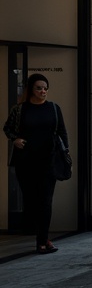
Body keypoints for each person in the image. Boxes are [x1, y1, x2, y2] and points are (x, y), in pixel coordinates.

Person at [3, 73, 68, 254]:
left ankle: (42, 241)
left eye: (45, 88)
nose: (43, 91)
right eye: (39, 88)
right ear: (31, 89)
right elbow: (7, 128)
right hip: (26, 163)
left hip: (49, 162)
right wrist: (15, 139)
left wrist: (65, 154)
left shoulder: (54, 108)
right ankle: (41, 236)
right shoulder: (20, 109)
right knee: (32, 202)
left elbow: (62, 132)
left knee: (46, 202)